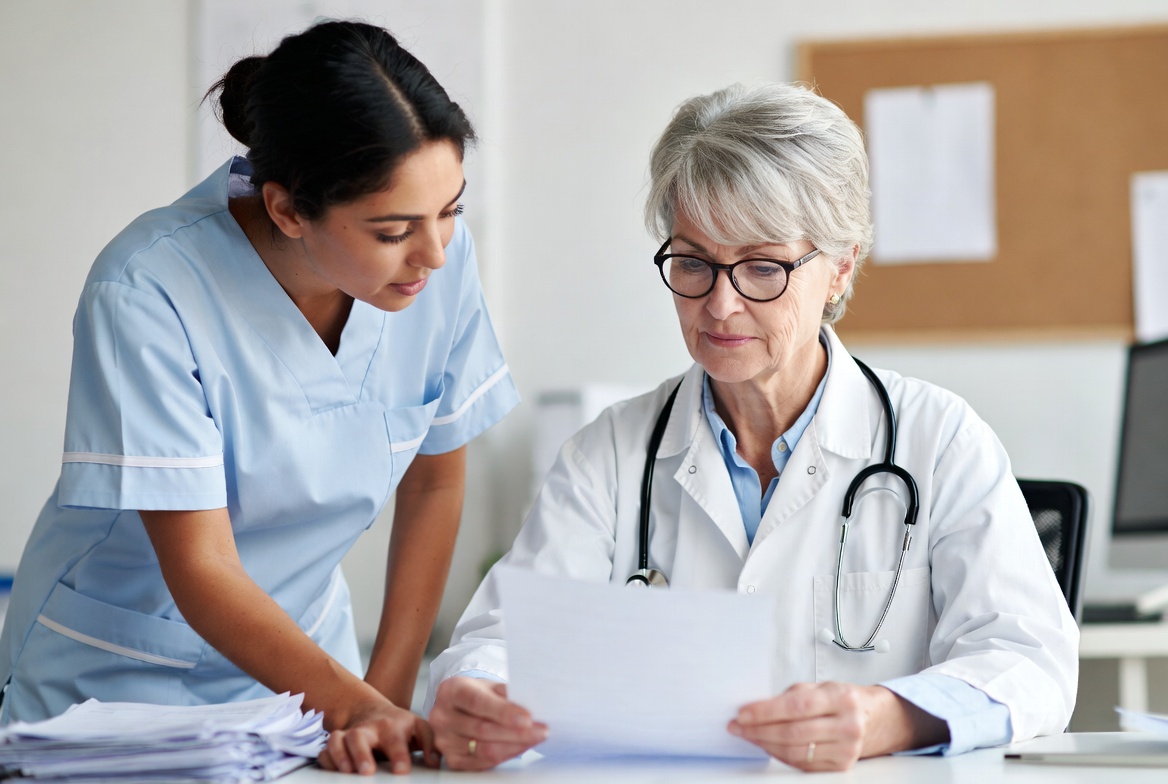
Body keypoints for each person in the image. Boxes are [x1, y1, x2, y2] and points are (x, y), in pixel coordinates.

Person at [425, 82, 1078, 772]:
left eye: (763, 266)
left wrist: (887, 717)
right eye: (694, 263)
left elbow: (1030, 661)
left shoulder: (939, 440)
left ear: (841, 266)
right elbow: (496, 643)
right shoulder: (610, 455)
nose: (720, 305)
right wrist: (477, 694)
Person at [0, 20, 518, 777]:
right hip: (119, 688)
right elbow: (201, 564)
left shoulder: (434, 256)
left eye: (452, 211)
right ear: (285, 209)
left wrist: (385, 697)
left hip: (311, 678)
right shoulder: (147, 289)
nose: (434, 254)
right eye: (393, 230)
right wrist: (355, 707)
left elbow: (434, 477)